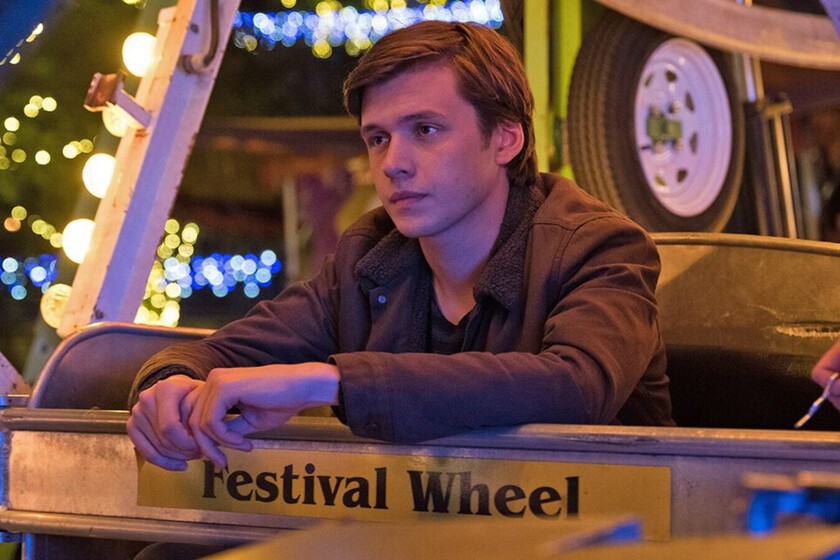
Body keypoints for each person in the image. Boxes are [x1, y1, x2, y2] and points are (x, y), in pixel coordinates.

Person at [126, 20, 674, 473]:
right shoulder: (368, 257)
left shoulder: (601, 247)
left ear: (506, 138)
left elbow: (575, 385)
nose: (393, 164)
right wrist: (169, 385)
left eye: (426, 130)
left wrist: (331, 381)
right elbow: (216, 355)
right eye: (378, 138)